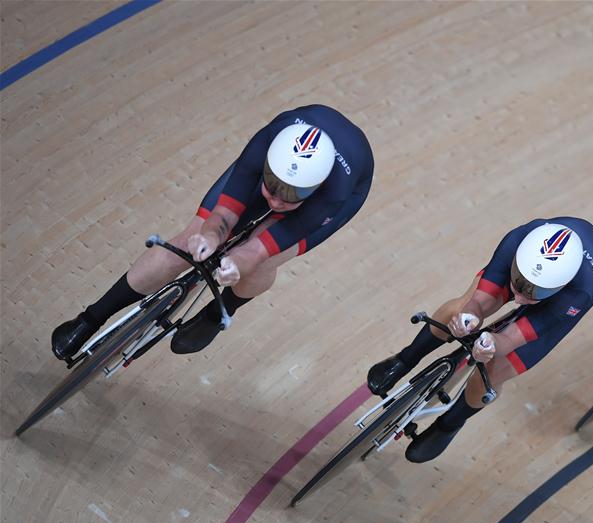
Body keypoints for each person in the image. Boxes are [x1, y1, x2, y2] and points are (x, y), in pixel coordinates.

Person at [52, 104, 374, 359]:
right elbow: (223, 214)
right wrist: (207, 238)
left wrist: (237, 265)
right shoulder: (267, 142)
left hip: (347, 190)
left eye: (287, 196)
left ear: (312, 190)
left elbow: (256, 250)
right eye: (271, 185)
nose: (274, 199)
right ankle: (91, 318)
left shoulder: (334, 192)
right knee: (185, 244)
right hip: (285, 154)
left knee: (261, 261)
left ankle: (218, 314)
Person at [368, 218, 593, 463]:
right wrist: (468, 318)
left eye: (534, 293)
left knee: (496, 369)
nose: (518, 299)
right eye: (518, 286)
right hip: (528, 271)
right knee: (460, 309)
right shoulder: (517, 240)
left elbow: (509, 340)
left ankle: (449, 424)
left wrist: (491, 345)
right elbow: (478, 303)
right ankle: (405, 359)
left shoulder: (578, 294)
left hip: (562, 301)